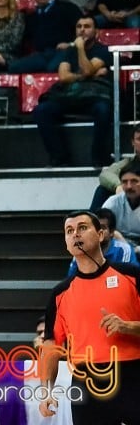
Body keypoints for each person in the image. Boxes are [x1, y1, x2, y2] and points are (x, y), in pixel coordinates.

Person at [39, 211, 140, 424]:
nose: (75, 234)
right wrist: (47, 390)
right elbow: (50, 346)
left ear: (101, 234)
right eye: (69, 231)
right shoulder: (60, 293)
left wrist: (128, 327)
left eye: (82, 228)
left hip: (133, 373)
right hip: (86, 380)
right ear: (66, 242)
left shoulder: (132, 276)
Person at [32, 14, 113, 168]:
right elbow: (63, 76)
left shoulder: (103, 51)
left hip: (93, 97)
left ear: (97, 32)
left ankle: (98, 156)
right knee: (41, 111)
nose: (82, 30)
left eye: (87, 27)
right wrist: (86, 75)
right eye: (79, 27)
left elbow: (87, 69)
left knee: (104, 109)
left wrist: (81, 49)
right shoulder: (69, 51)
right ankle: (60, 158)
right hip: (69, 96)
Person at [7, 0, 81, 74]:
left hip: (64, 51)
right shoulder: (31, 16)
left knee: (52, 68)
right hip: (42, 55)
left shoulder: (68, 8)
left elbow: (85, 31)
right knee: (13, 67)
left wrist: (71, 44)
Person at [92, 125, 140, 211]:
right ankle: (92, 222)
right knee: (102, 190)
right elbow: (105, 174)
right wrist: (118, 186)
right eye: (139, 139)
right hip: (130, 204)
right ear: (133, 142)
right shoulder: (128, 163)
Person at [102, 162, 140, 243]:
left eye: (134, 181)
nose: (129, 186)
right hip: (119, 246)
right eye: (125, 182)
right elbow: (101, 227)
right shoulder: (113, 202)